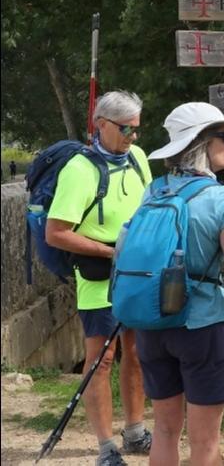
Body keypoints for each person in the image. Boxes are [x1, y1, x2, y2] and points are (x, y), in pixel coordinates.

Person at [138, 102, 224, 465]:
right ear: (202, 143)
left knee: (163, 430)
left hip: (152, 324)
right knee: (204, 441)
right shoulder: (221, 198)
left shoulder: (153, 190)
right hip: (200, 324)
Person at [45, 91, 153, 466]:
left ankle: (136, 432)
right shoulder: (79, 169)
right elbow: (56, 232)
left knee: (137, 352)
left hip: (137, 273)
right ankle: (106, 448)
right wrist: (110, 252)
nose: (133, 137)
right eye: (126, 129)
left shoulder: (138, 159)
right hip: (99, 276)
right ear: (101, 125)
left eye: (137, 129)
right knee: (101, 360)